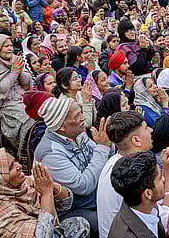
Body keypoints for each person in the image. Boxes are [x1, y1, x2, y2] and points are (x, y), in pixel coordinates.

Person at [35, 97, 112, 237]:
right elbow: (84, 185)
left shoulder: (78, 133)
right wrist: (102, 148)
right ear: (62, 126)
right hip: (75, 209)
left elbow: (101, 158)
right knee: (110, 222)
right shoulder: (50, 153)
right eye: (77, 116)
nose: (83, 118)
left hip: (97, 196)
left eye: (81, 112)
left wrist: (109, 143)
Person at [0, 148, 90, 238]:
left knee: (80, 224)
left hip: (52, 229)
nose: (19, 166)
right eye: (10, 167)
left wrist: (52, 187)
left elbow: (66, 204)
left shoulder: (23, 184)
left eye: (15, 161)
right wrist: (46, 194)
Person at [109, 151, 169, 238]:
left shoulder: (142, 206)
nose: (163, 179)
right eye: (159, 178)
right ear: (148, 193)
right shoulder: (128, 234)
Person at [97, 111, 154, 238]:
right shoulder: (131, 174)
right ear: (136, 140)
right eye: (146, 128)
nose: (151, 130)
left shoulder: (117, 162)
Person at [0, 34, 31, 149]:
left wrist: (20, 71)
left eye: (11, 45)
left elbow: (27, 82)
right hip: (2, 106)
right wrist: (14, 73)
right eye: (6, 46)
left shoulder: (13, 59)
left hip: (21, 97)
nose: (10, 49)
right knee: (26, 120)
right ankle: (24, 150)